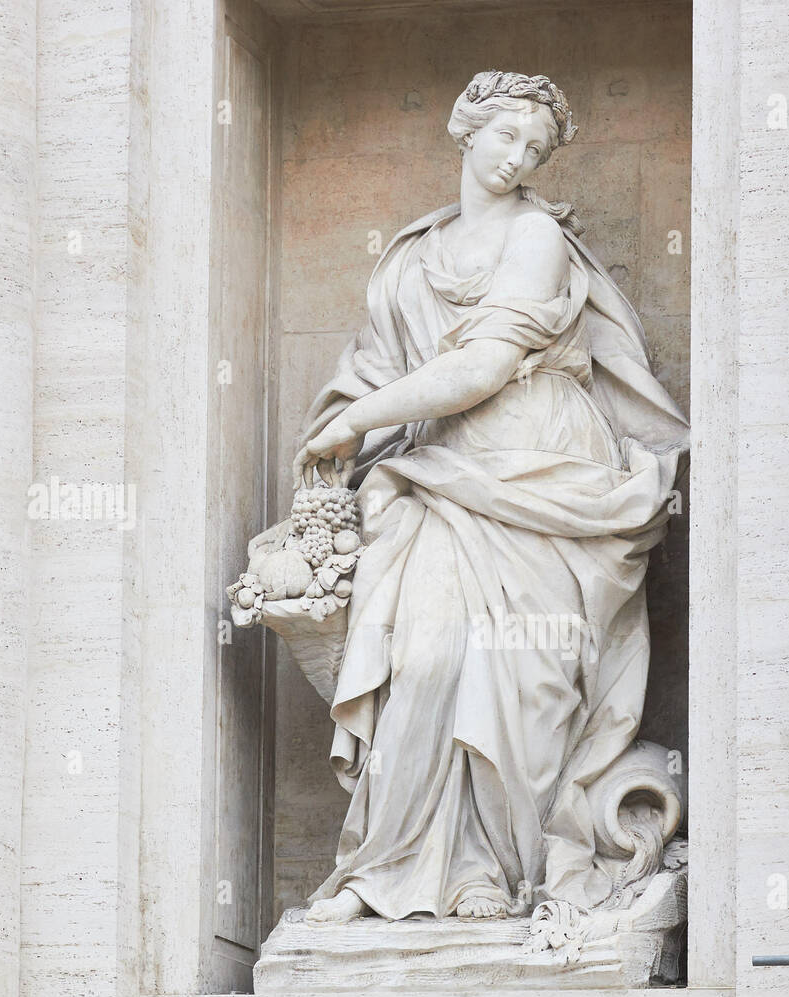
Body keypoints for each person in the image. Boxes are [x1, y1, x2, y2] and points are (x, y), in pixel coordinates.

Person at [291, 71, 688, 925]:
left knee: (520, 672)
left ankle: (493, 874)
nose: (519, 157)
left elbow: (478, 369)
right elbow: (380, 366)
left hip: (543, 471)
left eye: (537, 149)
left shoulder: (538, 235)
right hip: (439, 476)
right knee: (425, 659)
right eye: (507, 135)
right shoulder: (409, 256)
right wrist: (350, 429)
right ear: (465, 128)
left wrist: (356, 421)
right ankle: (388, 868)